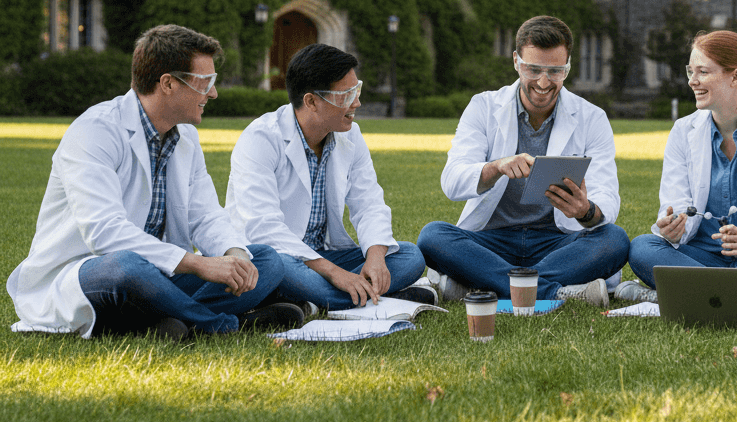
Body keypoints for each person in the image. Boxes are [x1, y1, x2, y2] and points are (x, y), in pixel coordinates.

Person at [7, 25, 298, 340]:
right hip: (90, 273)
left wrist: (234, 254)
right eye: (205, 82)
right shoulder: (95, 131)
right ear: (168, 83)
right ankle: (220, 325)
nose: (213, 93)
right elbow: (105, 233)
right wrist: (198, 264)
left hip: (162, 275)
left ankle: (161, 321)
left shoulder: (186, 136)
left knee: (265, 260)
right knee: (127, 266)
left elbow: (205, 215)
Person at [417, 15, 629, 308]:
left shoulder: (592, 118)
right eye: (534, 69)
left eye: (555, 71)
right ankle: (552, 292)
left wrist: (586, 211)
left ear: (567, 67)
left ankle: (484, 285)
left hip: (557, 244)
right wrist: (496, 167)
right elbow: (452, 181)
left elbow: (607, 194)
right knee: (432, 237)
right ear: (516, 61)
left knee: (615, 240)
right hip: (492, 241)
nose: (543, 82)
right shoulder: (483, 106)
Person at [225, 43, 429, 311]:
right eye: (346, 95)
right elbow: (263, 230)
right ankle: (355, 296)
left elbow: (369, 203)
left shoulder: (350, 135)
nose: (357, 103)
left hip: (323, 256)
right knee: (276, 264)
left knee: (410, 256)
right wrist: (335, 274)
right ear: (311, 101)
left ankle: (309, 300)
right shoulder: (260, 138)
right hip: (274, 256)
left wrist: (376, 257)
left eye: (357, 90)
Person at [623, 30, 737, 303]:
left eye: (703, 72)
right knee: (642, 247)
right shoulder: (683, 130)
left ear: (736, 77)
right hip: (698, 255)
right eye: (690, 71)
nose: (692, 81)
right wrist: (672, 226)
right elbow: (675, 202)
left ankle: (681, 293)